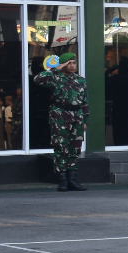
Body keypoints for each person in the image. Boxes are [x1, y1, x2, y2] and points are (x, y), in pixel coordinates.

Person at [33, 57, 88, 191]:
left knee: (75, 148)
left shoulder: (80, 80)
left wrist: (85, 120)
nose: (72, 66)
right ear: (63, 64)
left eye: (74, 63)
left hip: (77, 116)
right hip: (60, 116)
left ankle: (73, 179)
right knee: (61, 147)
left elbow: (85, 101)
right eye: (69, 63)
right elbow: (37, 79)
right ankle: (62, 179)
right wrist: (56, 68)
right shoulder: (55, 78)